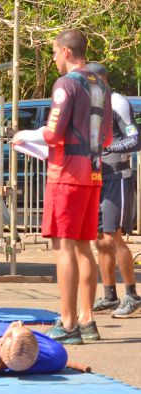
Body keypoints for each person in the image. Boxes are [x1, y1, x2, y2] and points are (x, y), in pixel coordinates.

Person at [13, 30, 113, 344]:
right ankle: (87, 319)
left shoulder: (66, 84)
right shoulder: (101, 86)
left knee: (64, 248)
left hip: (66, 175)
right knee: (84, 247)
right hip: (93, 174)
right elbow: (107, 138)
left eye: (55, 52)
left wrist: (24, 136)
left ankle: (68, 322)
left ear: (66, 52)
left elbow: (54, 133)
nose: (54, 58)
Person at [86, 62, 141, 318]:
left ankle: (131, 294)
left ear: (101, 80)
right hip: (96, 177)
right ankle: (109, 295)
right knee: (99, 239)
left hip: (117, 177)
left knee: (113, 236)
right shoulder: (90, 105)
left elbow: (134, 140)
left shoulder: (118, 102)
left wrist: (107, 149)